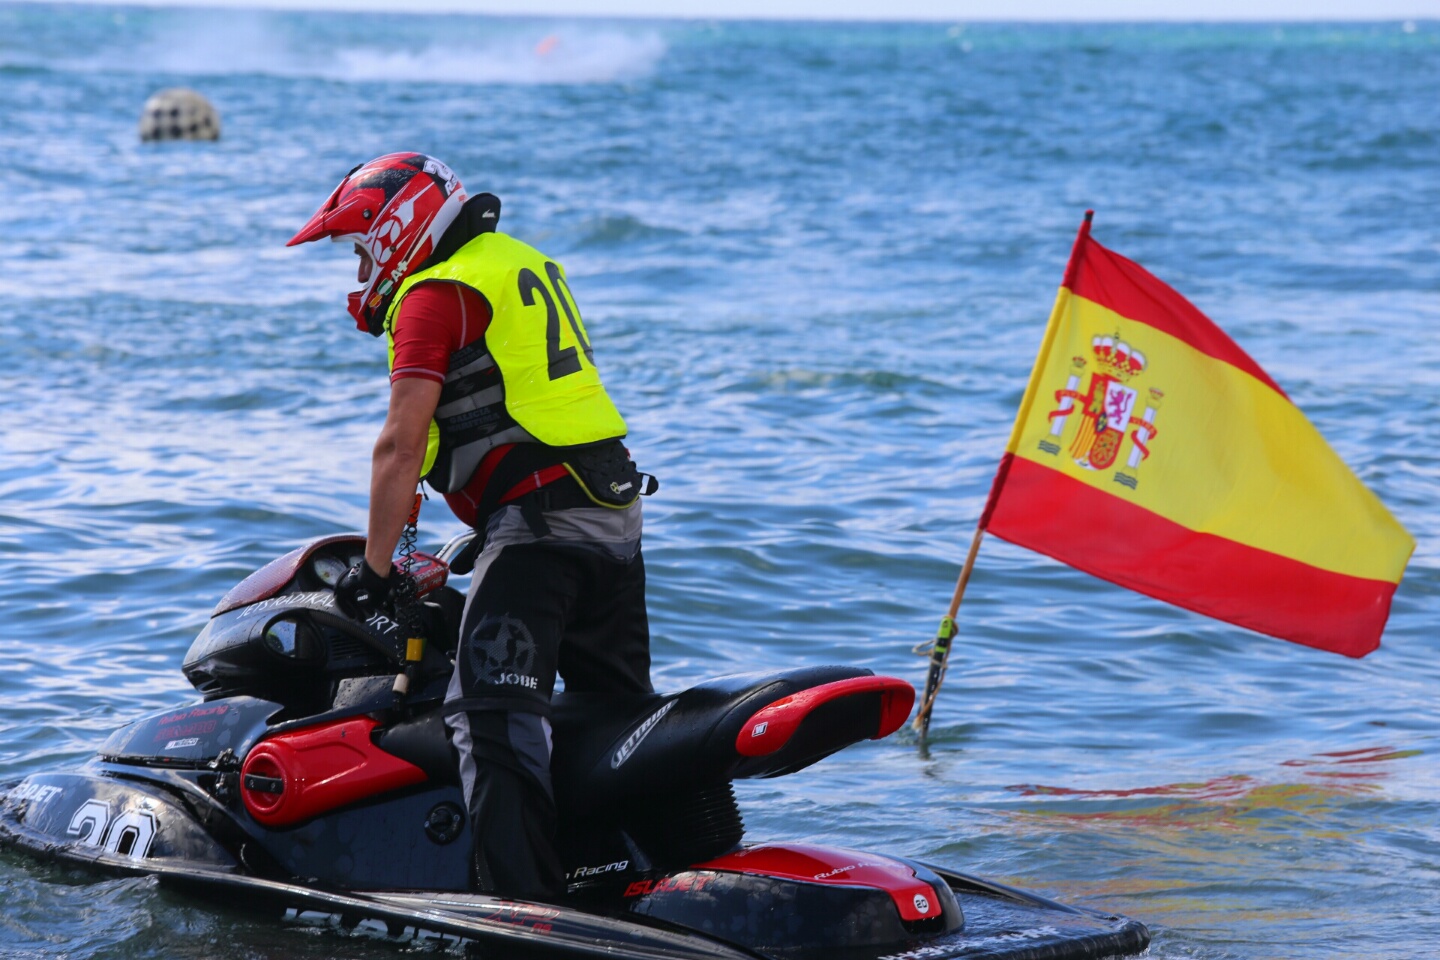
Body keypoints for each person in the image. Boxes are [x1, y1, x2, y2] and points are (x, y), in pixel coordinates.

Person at [286, 152, 654, 897]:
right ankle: (641, 874)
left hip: (542, 528)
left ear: (393, 233)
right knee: (616, 717)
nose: (360, 276)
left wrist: (377, 569)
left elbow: (398, 444)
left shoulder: (433, 294)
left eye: (360, 253)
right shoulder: (517, 262)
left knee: (488, 720)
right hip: (611, 517)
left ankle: (526, 910)